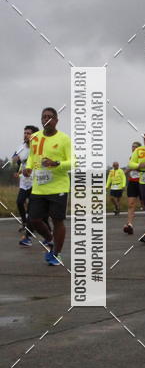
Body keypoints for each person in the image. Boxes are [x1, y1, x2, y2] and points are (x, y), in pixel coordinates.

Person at [22, 107, 72, 266]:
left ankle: (56, 253)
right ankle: (50, 239)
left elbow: (73, 162)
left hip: (58, 187)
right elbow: (31, 157)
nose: (47, 119)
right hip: (39, 187)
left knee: (57, 220)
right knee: (34, 219)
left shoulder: (64, 139)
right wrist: (28, 167)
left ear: (56, 120)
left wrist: (55, 163)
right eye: (44, 117)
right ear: (41, 120)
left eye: (50, 117)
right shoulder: (35, 137)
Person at [12, 124, 37, 246]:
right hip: (24, 182)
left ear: (34, 135)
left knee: (32, 210)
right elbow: (16, 160)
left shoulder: (37, 148)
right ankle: (24, 221)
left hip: (35, 182)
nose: (26, 135)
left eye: (28, 133)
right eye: (25, 133)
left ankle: (28, 235)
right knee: (19, 202)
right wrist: (17, 169)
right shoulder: (21, 147)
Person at [123, 141, 142, 235]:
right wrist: (124, 172)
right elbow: (128, 168)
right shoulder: (131, 158)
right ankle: (130, 225)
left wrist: (135, 167)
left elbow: (143, 168)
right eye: (132, 147)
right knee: (131, 204)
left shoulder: (143, 157)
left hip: (142, 182)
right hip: (132, 182)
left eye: (135, 147)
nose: (133, 148)